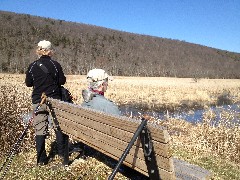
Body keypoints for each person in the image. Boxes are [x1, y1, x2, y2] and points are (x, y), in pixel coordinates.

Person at [25, 40, 69, 166]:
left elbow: (28, 83)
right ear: (49, 51)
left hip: (38, 100)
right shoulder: (55, 65)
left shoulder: (32, 66)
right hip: (54, 100)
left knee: (40, 129)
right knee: (58, 126)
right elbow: (62, 81)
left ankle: (41, 159)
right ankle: (61, 154)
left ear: (39, 50)